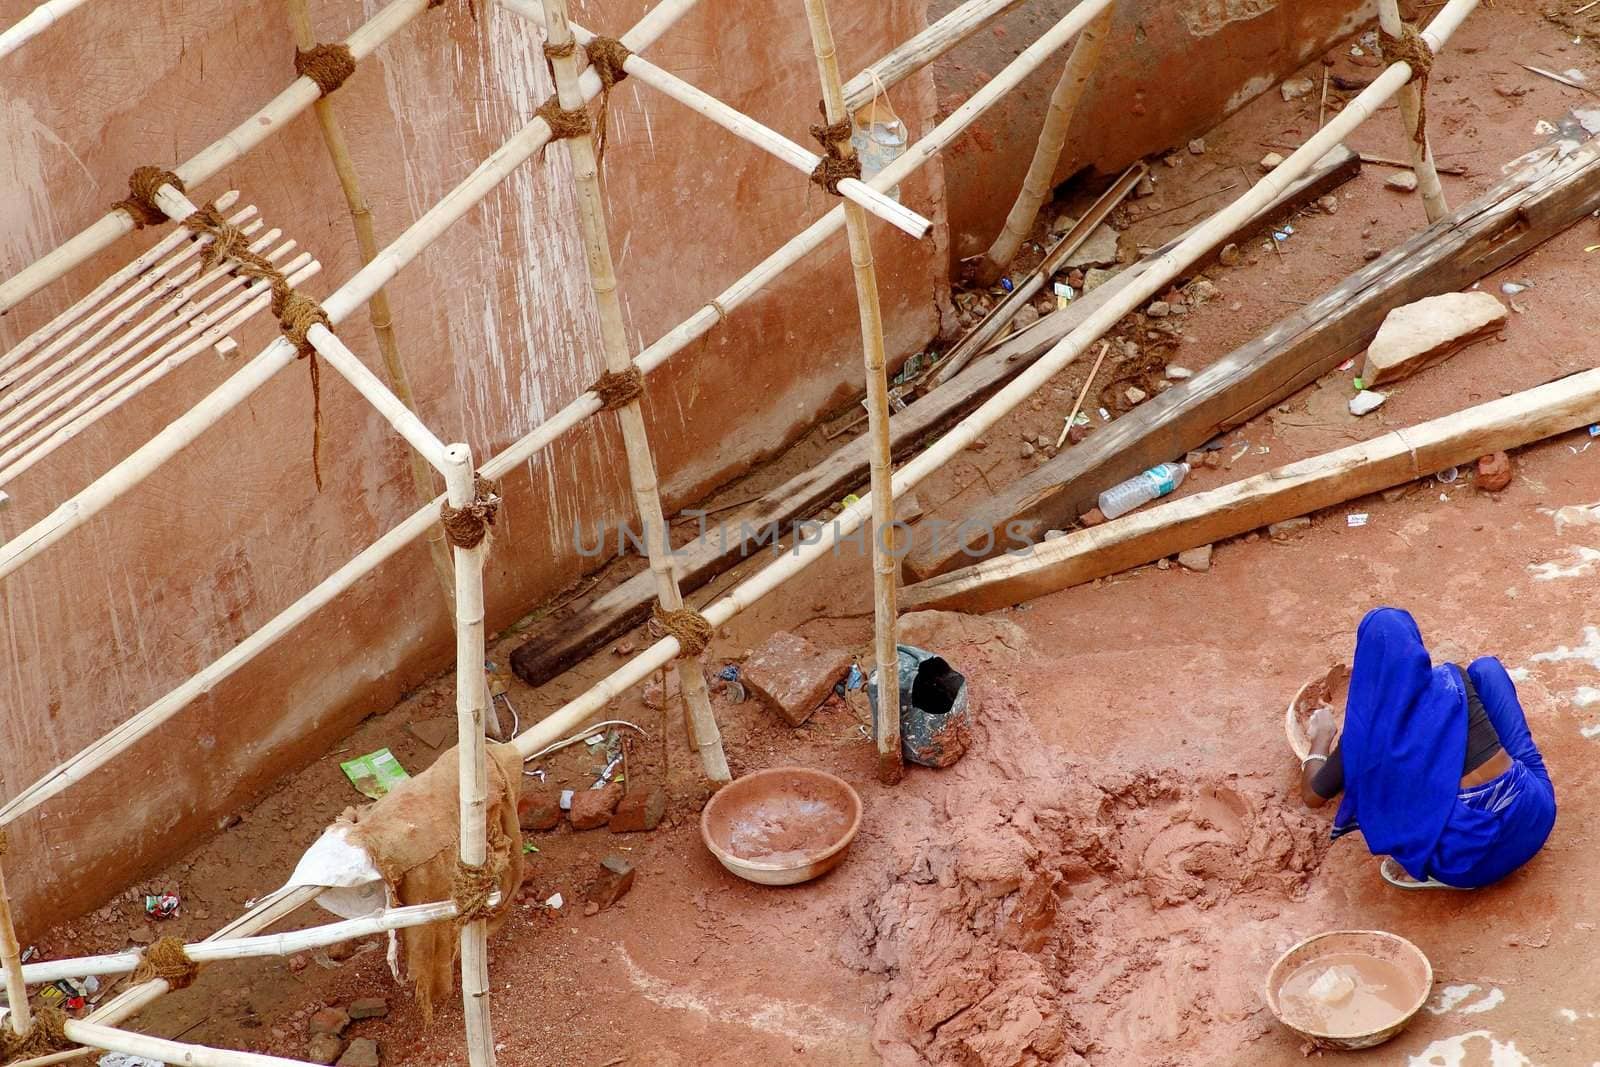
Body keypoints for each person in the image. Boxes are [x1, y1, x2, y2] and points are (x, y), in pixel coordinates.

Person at [1298, 607, 1556, 889]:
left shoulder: (1365, 734)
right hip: (1535, 820)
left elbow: (1313, 795)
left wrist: (1321, 736)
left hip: (1465, 866)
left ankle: (1435, 854)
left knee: (1387, 785)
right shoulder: (1453, 680)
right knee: (1486, 670)